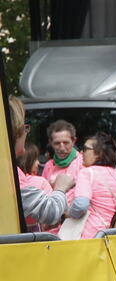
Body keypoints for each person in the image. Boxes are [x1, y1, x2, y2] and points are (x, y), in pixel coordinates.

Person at [10, 96, 72, 231]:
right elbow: (50, 211)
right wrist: (61, 187)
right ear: (15, 132)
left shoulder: (11, 170)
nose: (61, 147)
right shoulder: (9, 173)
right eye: (24, 128)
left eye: (66, 142)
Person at [61, 133, 116, 239]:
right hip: (111, 234)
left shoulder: (87, 173)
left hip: (89, 235)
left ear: (98, 154)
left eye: (85, 149)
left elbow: (81, 205)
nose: (81, 152)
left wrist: (68, 213)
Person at [40, 119, 83, 185]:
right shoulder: (48, 166)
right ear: (50, 142)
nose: (62, 148)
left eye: (66, 143)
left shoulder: (82, 162)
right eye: (57, 143)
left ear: (73, 141)